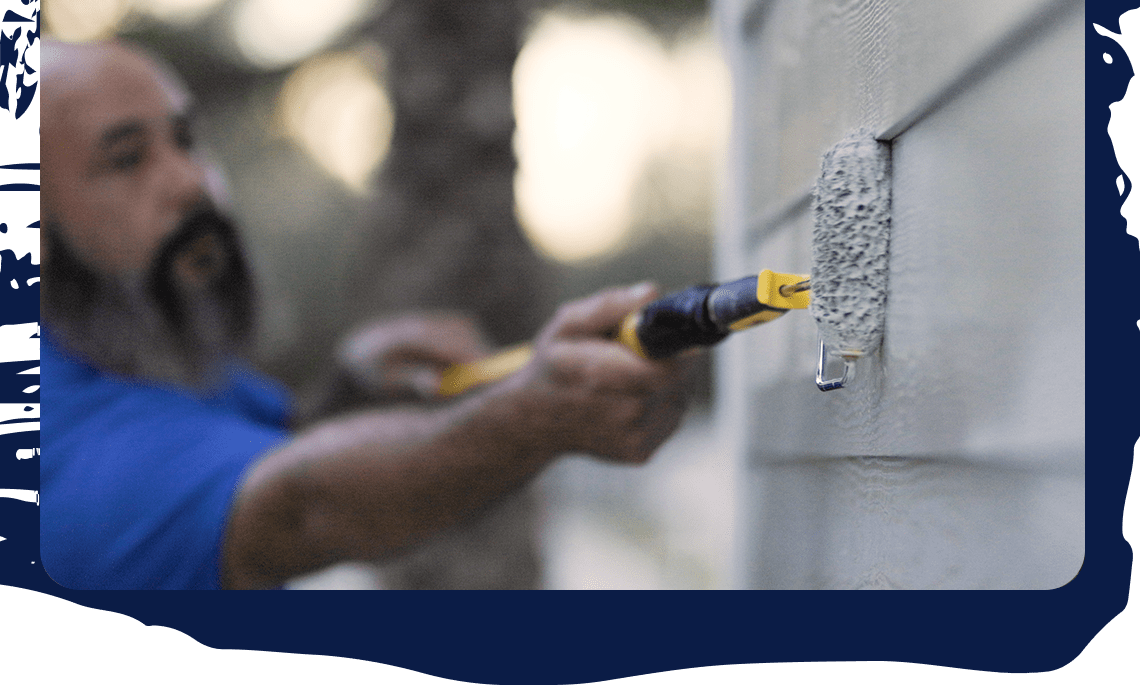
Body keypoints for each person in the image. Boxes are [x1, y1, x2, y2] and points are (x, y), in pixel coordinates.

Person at [39, 38, 691, 591]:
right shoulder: (44, 429)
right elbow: (302, 505)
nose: (190, 182)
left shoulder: (157, 371)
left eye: (185, 139)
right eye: (126, 159)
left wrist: (348, 399)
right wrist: (531, 417)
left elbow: (272, 448)